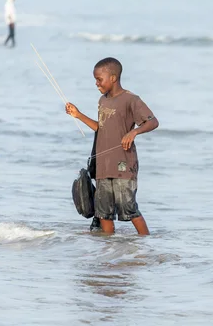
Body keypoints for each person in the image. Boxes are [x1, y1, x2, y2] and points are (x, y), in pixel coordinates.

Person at [65, 57, 159, 235]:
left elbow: (153, 122)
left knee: (129, 209)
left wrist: (134, 132)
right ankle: (108, 250)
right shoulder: (103, 100)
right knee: (104, 214)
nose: (96, 83)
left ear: (113, 78)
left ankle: (147, 246)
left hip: (123, 164)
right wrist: (78, 115)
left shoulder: (131, 99)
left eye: (99, 79)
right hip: (103, 165)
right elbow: (100, 129)